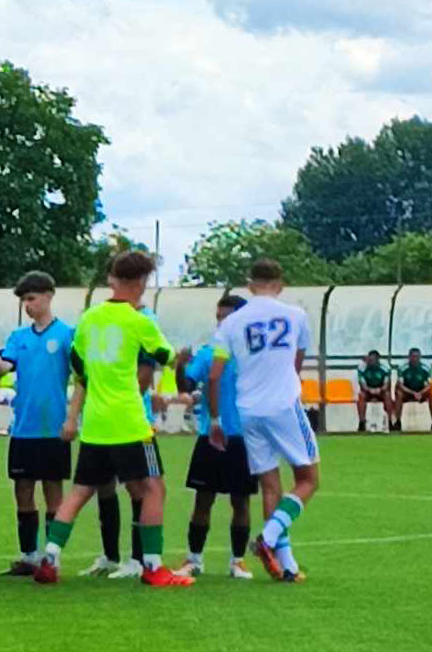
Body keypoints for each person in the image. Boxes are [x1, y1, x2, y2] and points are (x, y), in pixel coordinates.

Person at [30, 251, 191, 587]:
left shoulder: (88, 319)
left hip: (95, 423)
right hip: (129, 422)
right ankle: (153, 566)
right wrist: (180, 357)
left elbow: (78, 366)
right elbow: (165, 356)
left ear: (114, 279)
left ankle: (50, 555)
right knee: (154, 487)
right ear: (142, 282)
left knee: (79, 491)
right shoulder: (139, 320)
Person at [210, 258, 316, 583]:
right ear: (280, 284)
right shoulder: (296, 315)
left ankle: (287, 566)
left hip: (249, 410)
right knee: (308, 479)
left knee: (270, 484)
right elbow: (297, 361)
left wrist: (215, 418)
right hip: (283, 405)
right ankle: (268, 538)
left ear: (249, 284)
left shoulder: (231, 323)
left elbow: (214, 375)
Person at [0, 271, 76, 575]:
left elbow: (82, 375)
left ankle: (52, 557)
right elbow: (2, 368)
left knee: (53, 492)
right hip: (23, 429)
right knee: (22, 491)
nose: (28, 305)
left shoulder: (67, 334)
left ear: (48, 296)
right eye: (24, 301)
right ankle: (29, 556)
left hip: (54, 427)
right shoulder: (19, 337)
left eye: (31, 298)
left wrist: (73, 418)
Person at [174, 294, 255, 579]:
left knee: (241, 501)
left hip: (243, 437)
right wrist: (180, 365)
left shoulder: (252, 355)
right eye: (218, 317)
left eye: (226, 317)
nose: (221, 323)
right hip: (210, 436)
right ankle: (194, 559)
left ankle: (238, 561)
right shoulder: (209, 353)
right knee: (203, 500)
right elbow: (186, 386)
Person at [354, 349, 390, 433]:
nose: (370, 362)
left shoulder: (385, 368)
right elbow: (362, 384)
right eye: (369, 360)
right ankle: (362, 422)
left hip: (381, 390)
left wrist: (379, 389)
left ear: (377, 360)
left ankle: (389, 421)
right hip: (368, 391)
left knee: (387, 395)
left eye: (372, 360)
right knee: (361, 395)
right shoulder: (362, 368)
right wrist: (370, 390)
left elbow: (386, 384)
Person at [394, 348, 430, 430]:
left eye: (417, 357)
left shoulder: (426, 368)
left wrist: (420, 393)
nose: (415, 359)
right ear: (409, 357)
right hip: (407, 392)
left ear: (420, 357)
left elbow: (429, 385)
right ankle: (398, 422)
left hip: (422, 392)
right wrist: (413, 393)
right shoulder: (402, 368)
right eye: (413, 356)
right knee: (398, 393)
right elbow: (400, 385)